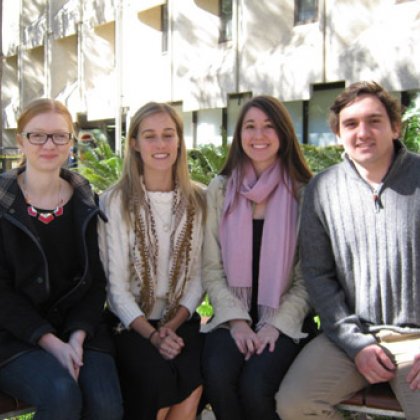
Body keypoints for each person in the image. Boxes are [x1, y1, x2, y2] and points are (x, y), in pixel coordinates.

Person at [276, 81, 420, 419]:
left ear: (396, 127)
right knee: (296, 404)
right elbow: (318, 274)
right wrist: (356, 344)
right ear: (339, 135)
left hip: (415, 341)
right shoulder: (321, 190)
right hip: (351, 336)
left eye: (374, 121)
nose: (363, 132)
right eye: (351, 124)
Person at [0, 98, 123, 420]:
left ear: (70, 140)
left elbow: (97, 281)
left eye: (59, 135)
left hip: (80, 329)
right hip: (14, 335)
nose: (48, 145)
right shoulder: (3, 203)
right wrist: (51, 342)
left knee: (107, 406)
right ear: (20, 141)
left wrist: (77, 336)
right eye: (37, 135)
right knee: (60, 394)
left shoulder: (87, 202)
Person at [201, 95, 316, 420]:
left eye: (268, 126)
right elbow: (211, 267)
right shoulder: (221, 189)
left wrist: (275, 327)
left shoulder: (304, 192)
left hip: (285, 319)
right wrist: (237, 322)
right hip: (232, 315)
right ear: (239, 136)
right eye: (250, 126)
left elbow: (309, 276)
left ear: (283, 134)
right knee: (219, 376)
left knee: (256, 385)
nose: (258, 135)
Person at [98, 102, 206, 420]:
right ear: (134, 143)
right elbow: (115, 289)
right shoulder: (115, 202)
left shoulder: (198, 200)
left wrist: (170, 327)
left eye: (168, 135)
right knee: (156, 384)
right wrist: (153, 334)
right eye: (150, 136)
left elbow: (200, 275)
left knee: (195, 380)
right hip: (130, 323)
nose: (160, 144)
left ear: (179, 141)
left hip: (180, 320)